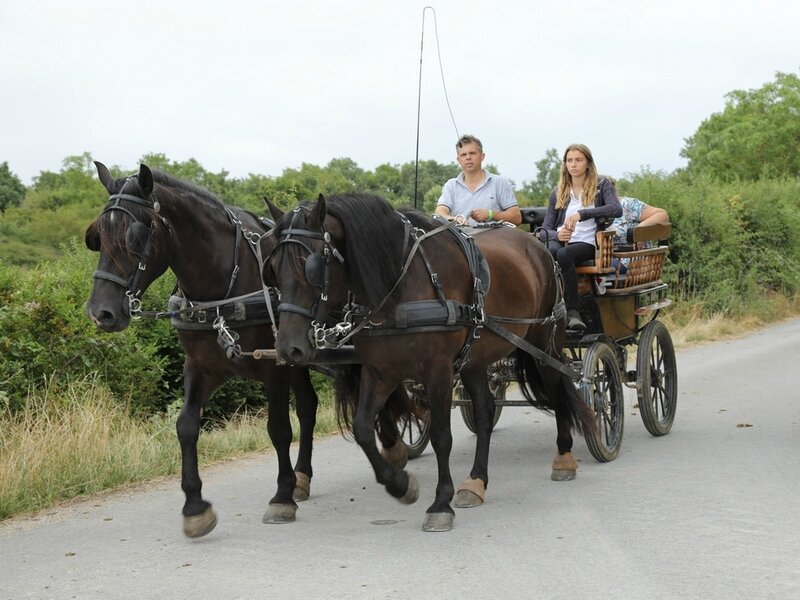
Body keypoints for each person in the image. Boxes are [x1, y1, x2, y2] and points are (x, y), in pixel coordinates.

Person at [538, 143, 622, 331]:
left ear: (587, 163)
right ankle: (549, 307)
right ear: (565, 164)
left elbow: (616, 209)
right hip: (563, 240)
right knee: (550, 251)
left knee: (564, 255)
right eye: (569, 160)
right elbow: (545, 229)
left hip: (589, 242)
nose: (573, 164)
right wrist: (558, 233)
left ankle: (573, 311)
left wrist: (582, 214)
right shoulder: (558, 192)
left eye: (578, 160)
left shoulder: (601, 185)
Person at [435, 134, 522, 226]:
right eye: (463, 155)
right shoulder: (451, 185)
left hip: (493, 237)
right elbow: (439, 213)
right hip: (460, 239)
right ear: (458, 159)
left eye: (472, 153)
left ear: (482, 156)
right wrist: (454, 218)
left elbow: (517, 218)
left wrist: (491, 214)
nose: (468, 157)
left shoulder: (499, 182)